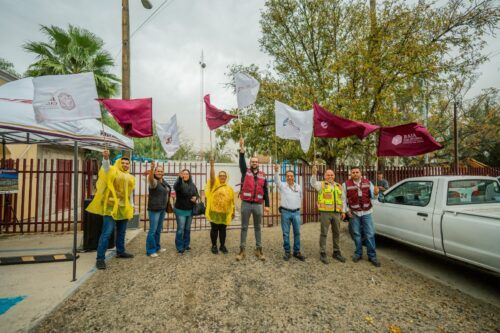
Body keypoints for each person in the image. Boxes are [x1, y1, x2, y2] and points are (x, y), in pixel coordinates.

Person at [86, 149, 135, 270]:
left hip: (123, 208)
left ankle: (120, 251)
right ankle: (100, 259)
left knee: (122, 232)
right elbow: (106, 169)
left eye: (127, 163)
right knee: (107, 233)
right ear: (119, 163)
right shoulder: (113, 171)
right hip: (110, 208)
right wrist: (106, 158)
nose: (125, 165)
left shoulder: (130, 177)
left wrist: (131, 206)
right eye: (123, 163)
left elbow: (130, 193)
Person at [236, 138, 270, 261]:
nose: (254, 163)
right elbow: (241, 162)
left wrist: (267, 205)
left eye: (256, 161)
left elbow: (266, 191)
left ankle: (259, 249)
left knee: (257, 227)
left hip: (257, 205)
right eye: (252, 161)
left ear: (258, 163)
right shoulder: (245, 172)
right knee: (244, 227)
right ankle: (242, 250)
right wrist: (242, 150)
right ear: (250, 163)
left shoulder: (262, 175)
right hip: (246, 203)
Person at [343, 167, 381, 267]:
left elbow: (374, 196)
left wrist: (376, 193)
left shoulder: (368, 183)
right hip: (354, 213)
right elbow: (343, 199)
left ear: (361, 173)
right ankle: (358, 253)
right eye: (353, 172)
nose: (355, 174)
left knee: (370, 234)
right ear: (351, 174)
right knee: (356, 234)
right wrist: (346, 210)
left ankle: (372, 256)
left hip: (367, 212)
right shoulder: (346, 184)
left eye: (357, 172)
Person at [310, 165, 346, 264]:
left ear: (334, 176)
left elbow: (343, 199)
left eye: (331, 175)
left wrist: (343, 211)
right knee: (324, 233)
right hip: (325, 212)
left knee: (337, 233)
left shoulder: (339, 186)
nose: (330, 176)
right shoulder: (321, 184)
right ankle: (322, 252)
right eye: (328, 175)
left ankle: (336, 252)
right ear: (325, 176)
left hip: (337, 213)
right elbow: (312, 183)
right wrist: (314, 174)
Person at [274, 164, 305, 261]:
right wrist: (276, 171)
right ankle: (287, 252)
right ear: (285, 177)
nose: (290, 177)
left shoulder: (298, 187)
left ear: (294, 177)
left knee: (297, 233)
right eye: (288, 176)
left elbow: (301, 198)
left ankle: (297, 251)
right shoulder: (282, 186)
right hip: (285, 213)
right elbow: (276, 181)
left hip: (296, 212)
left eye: (291, 176)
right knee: (286, 233)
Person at [205, 159, 235, 254]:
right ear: (218, 177)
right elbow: (212, 177)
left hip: (224, 212)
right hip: (214, 212)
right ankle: (214, 246)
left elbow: (232, 201)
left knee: (223, 230)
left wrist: (233, 210)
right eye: (220, 175)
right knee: (214, 229)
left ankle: (222, 246)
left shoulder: (229, 188)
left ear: (226, 177)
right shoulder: (214, 184)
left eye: (224, 175)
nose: (222, 177)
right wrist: (212, 166)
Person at [146, 160, 171, 257]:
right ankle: (150, 250)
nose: (160, 173)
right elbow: (150, 179)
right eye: (158, 171)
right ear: (155, 172)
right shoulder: (154, 182)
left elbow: (166, 191)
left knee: (158, 229)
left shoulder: (163, 181)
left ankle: (157, 247)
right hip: (154, 209)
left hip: (162, 209)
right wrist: (152, 169)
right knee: (152, 230)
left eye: (161, 171)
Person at [173, 169, 199, 254]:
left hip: (190, 210)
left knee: (187, 229)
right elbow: (176, 187)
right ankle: (179, 247)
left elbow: (197, 194)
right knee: (180, 229)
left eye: (187, 174)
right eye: (183, 174)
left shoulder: (192, 185)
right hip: (180, 210)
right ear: (181, 175)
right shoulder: (179, 184)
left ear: (189, 175)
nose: (185, 175)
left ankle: (186, 244)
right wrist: (179, 179)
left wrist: (195, 198)